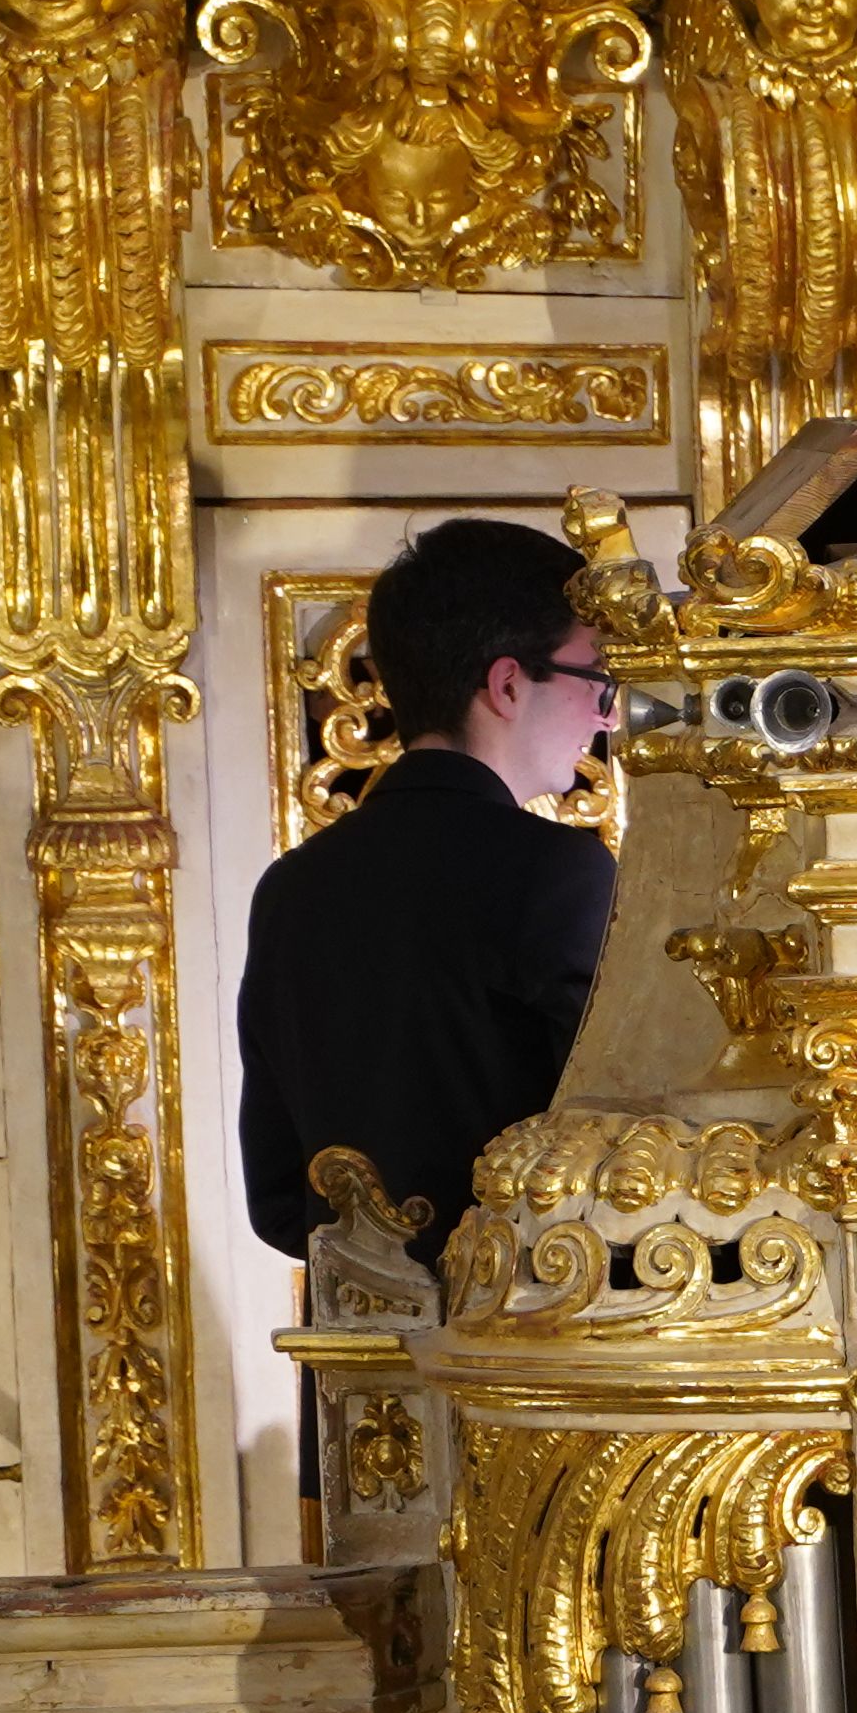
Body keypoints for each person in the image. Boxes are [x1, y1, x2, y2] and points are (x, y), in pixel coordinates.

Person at [237, 515, 616, 1270]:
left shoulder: (291, 888)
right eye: (596, 676)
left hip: (360, 1355)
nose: (607, 712)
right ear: (508, 684)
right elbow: (622, 1143)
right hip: (526, 1342)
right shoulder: (556, 871)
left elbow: (281, 1199)